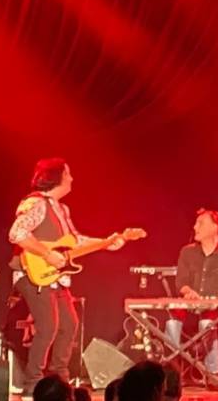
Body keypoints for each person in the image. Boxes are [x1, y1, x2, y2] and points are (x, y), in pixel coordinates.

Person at [9, 158, 128, 390]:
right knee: (48, 326)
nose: (72, 178)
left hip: (54, 277)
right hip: (32, 274)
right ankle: (33, 383)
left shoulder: (62, 209)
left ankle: (59, 380)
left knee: (69, 323)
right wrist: (46, 253)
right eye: (68, 174)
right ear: (56, 178)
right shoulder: (36, 204)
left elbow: (75, 241)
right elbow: (17, 233)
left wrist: (106, 242)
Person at [168, 208, 218, 382]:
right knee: (171, 323)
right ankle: (172, 372)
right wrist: (188, 291)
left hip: (214, 311)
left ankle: (212, 374)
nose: (195, 227)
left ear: (215, 227)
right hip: (189, 310)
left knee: (208, 323)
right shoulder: (186, 252)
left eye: (200, 223)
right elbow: (181, 283)